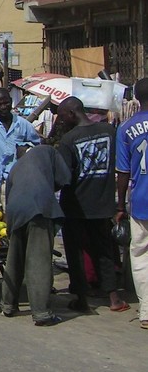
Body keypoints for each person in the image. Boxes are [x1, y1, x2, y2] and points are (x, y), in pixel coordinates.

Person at [56, 97, 128, 312]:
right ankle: (114, 298)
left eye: (61, 116)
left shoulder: (69, 140)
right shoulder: (109, 131)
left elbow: (63, 176)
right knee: (104, 251)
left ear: (71, 113)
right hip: (102, 204)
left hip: (75, 206)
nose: (60, 120)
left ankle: (81, 298)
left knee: (75, 253)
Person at [0, 144, 70, 325]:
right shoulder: (49, 151)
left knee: (14, 259)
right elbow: (64, 178)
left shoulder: (15, 168)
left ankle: (8, 305)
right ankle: (42, 313)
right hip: (38, 207)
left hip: (16, 211)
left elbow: (8, 200)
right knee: (39, 260)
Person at [116, 77, 148, 329]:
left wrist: (119, 205)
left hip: (140, 202)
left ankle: (146, 312)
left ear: (136, 98)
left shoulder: (125, 128)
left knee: (140, 256)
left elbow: (123, 173)